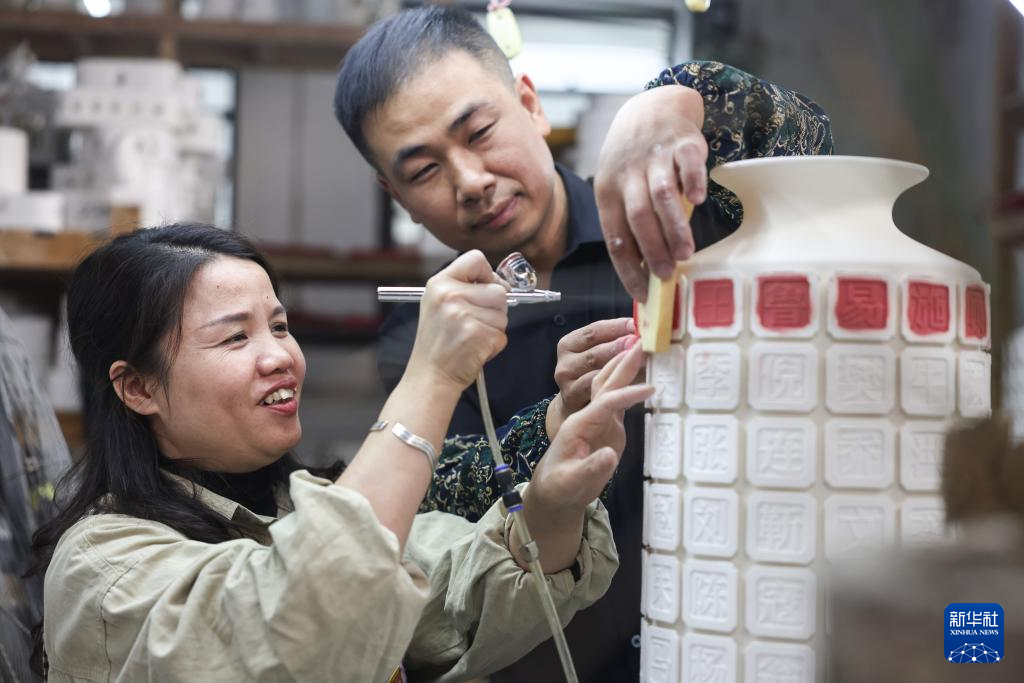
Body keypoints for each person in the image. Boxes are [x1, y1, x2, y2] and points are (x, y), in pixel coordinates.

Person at [332, 6, 834, 680]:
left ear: (530, 105)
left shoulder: (680, 217)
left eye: (480, 133)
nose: (471, 180)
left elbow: (810, 149)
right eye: (424, 170)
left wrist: (679, 97)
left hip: (739, 640)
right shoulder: (420, 338)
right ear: (393, 193)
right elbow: (433, 506)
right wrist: (551, 423)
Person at [30, 223, 654, 682]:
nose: (279, 356)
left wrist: (552, 503)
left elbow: (461, 593)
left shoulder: (301, 504)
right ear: (138, 388)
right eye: (235, 337)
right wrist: (433, 375)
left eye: (279, 326)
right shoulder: (104, 565)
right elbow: (307, 623)